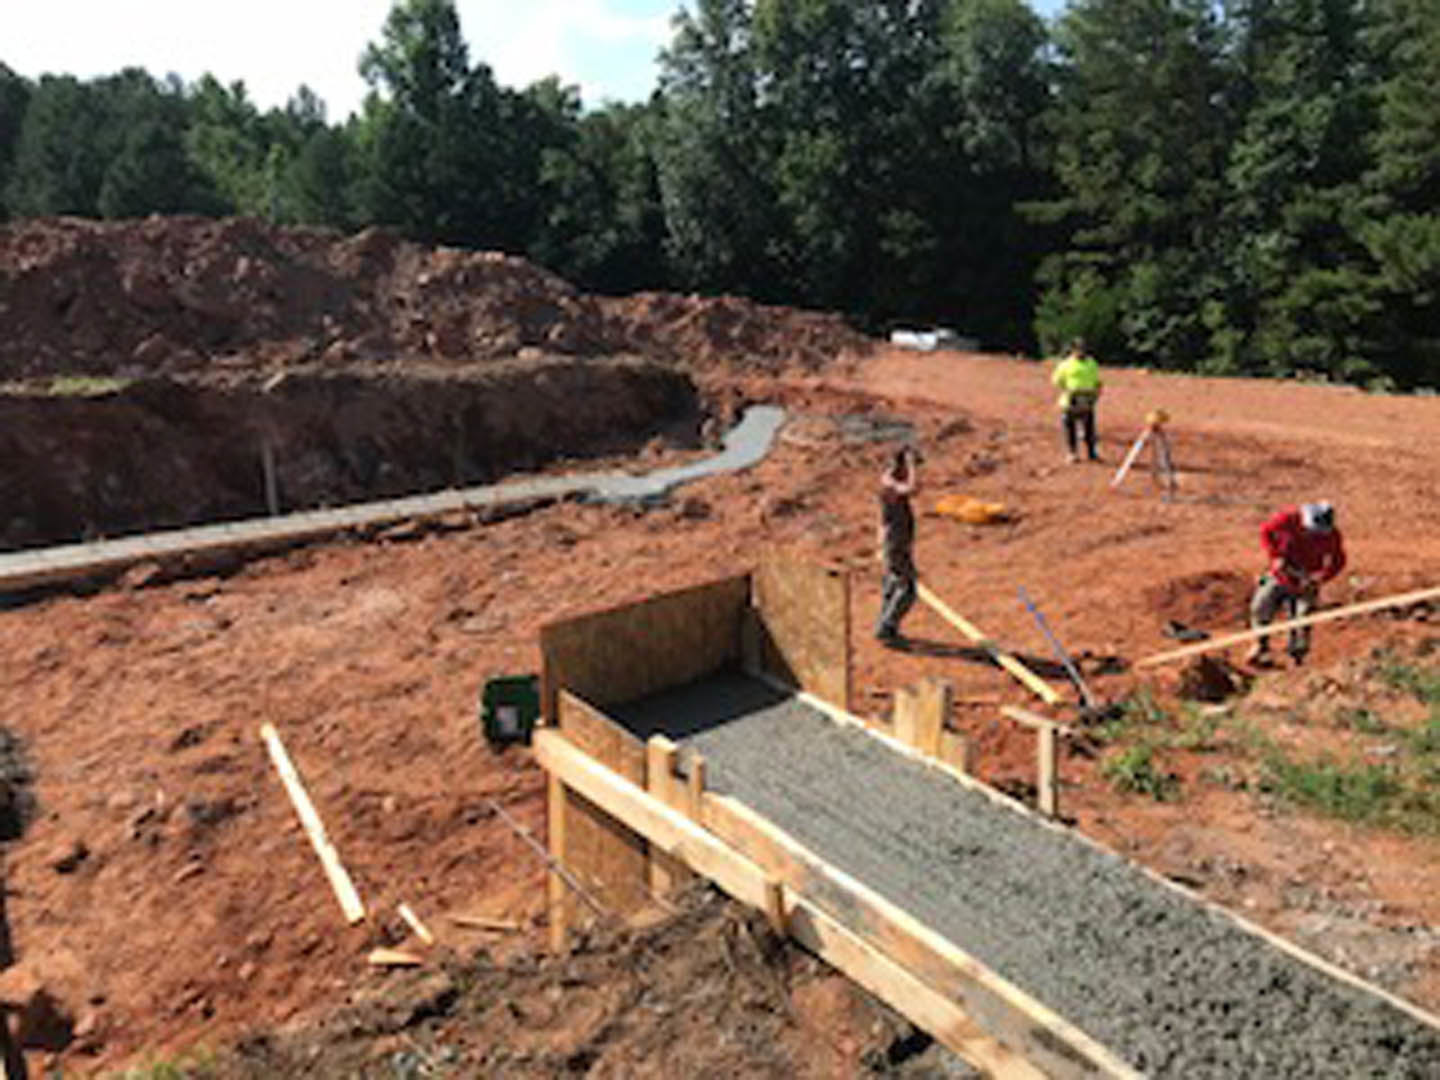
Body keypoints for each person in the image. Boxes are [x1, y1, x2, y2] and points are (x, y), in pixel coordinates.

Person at [1246, 501, 1346, 666]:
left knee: (1302, 618)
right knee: (1261, 606)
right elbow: (1266, 532)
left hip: (1306, 580)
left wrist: (1320, 578)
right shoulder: (1287, 520)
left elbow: (1339, 560)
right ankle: (1260, 645)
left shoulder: (1332, 535)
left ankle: (1297, 658)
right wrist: (1275, 556)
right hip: (1280, 575)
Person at [875, 447, 919, 647]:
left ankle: (884, 627)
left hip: (896, 543)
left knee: (892, 585)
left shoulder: (890, 479)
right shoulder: (889, 482)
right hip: (895, 544)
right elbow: (912, 489)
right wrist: (912, 466)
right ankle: (887, 628)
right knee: (907, 589)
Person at [1051, 338, 1103, 463]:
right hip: (1070, 400)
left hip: (1087, 399)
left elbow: (1097, 380)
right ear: (1073, 350)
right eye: (1079, 349)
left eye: (1083, 348)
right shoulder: (1065, 364)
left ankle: (1092, 453)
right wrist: (1067, 390)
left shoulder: (1092, 363)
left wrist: (1096, 393)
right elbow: (1057, 381)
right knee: (1070, 428)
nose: (1081, 351)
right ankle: (1072, 453)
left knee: (1089, 428)